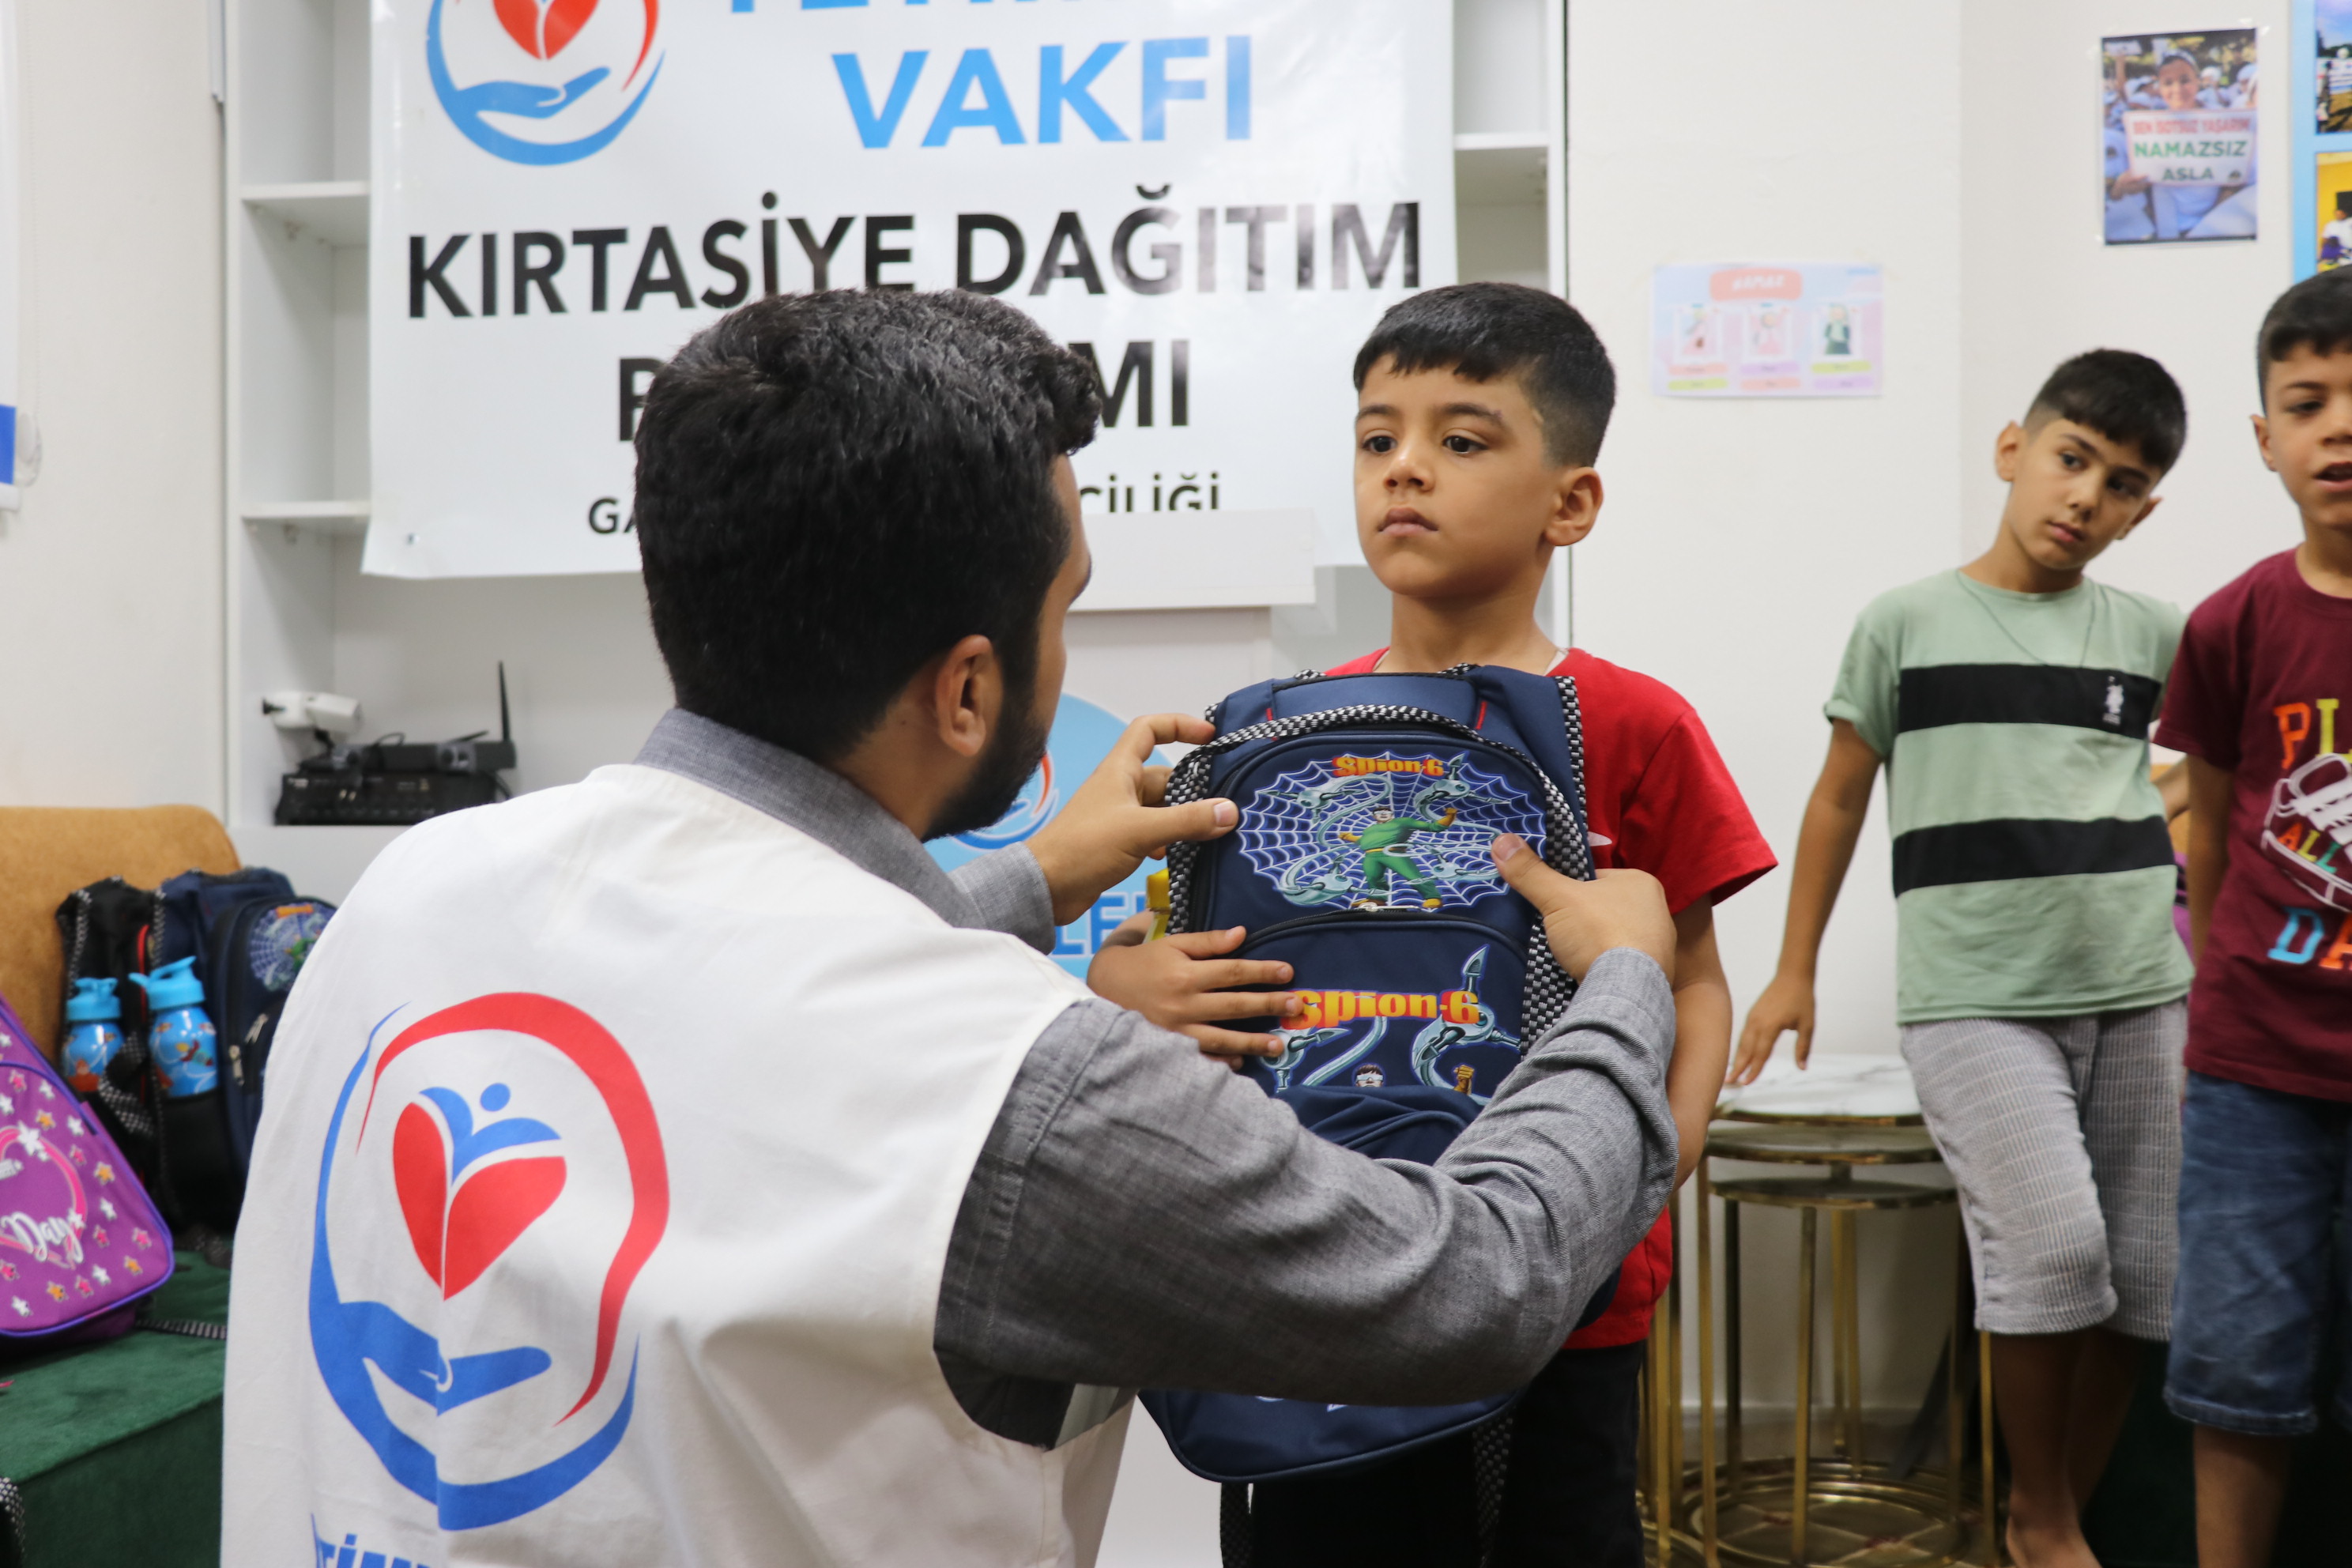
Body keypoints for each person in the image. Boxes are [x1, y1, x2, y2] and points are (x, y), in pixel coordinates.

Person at [218, 289, 1684, 1568]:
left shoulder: (415, 893)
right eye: (1068, 606)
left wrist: (1035, 877)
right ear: (971, 689)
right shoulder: (1027, 1085)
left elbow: (762, 984)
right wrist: (1623, 978)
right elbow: (1469, 1286)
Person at [1235, 281, 1774, 1568]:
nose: (1405, 468)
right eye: (1378, 439)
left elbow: (1693, 980)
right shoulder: (1275, 728)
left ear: (1569, 504)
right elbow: (1228, 968)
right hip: (1334, 1264)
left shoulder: (1633, 723)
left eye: (1462, 440)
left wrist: (1655, 1156)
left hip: (1566, 1272)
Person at [1734, 349, 2196, 1568]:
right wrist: (1793, 969)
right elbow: (1838, 797)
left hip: (2145, 992)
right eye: (2070, 459)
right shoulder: (1905, 622)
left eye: (2121, 482)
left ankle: (2056, 1522)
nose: (2084, 496)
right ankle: (2038, 1516)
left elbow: (2220, 772)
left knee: (2148, 1284)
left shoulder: (2155, 633)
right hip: (1977, 1000)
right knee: (2055, 1251)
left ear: (2144, 509)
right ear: (2012, 449)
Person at [2154, 269, 2352, 1568]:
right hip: (2256, 1068)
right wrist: (2226, 999)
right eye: (2310, 401)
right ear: (2265, 436)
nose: (2341, 430)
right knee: (2235, 1363)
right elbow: (2213, 833)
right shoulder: (2233, 622)